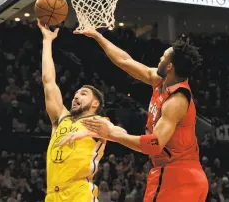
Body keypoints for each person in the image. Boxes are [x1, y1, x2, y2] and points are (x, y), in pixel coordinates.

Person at [62, 29, 209, 202]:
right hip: (186, 174)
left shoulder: (176, 101)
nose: (159, 59)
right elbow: (125, 61)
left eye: (163, 57)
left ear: (169, 67)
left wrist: (112, 134)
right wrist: (98, 37)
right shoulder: (160, 80)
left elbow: (154, 144)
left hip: (175, 175)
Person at [37, 20, 107, 202]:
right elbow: (48, 81)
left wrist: (85, 132)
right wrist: (47, 41)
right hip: (52, 195)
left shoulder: (100, 122)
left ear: (95, 104)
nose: (76, 97)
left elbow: (118, 133)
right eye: (76, 94)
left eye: (83, 94)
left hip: (79, 193)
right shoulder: (61, 119)